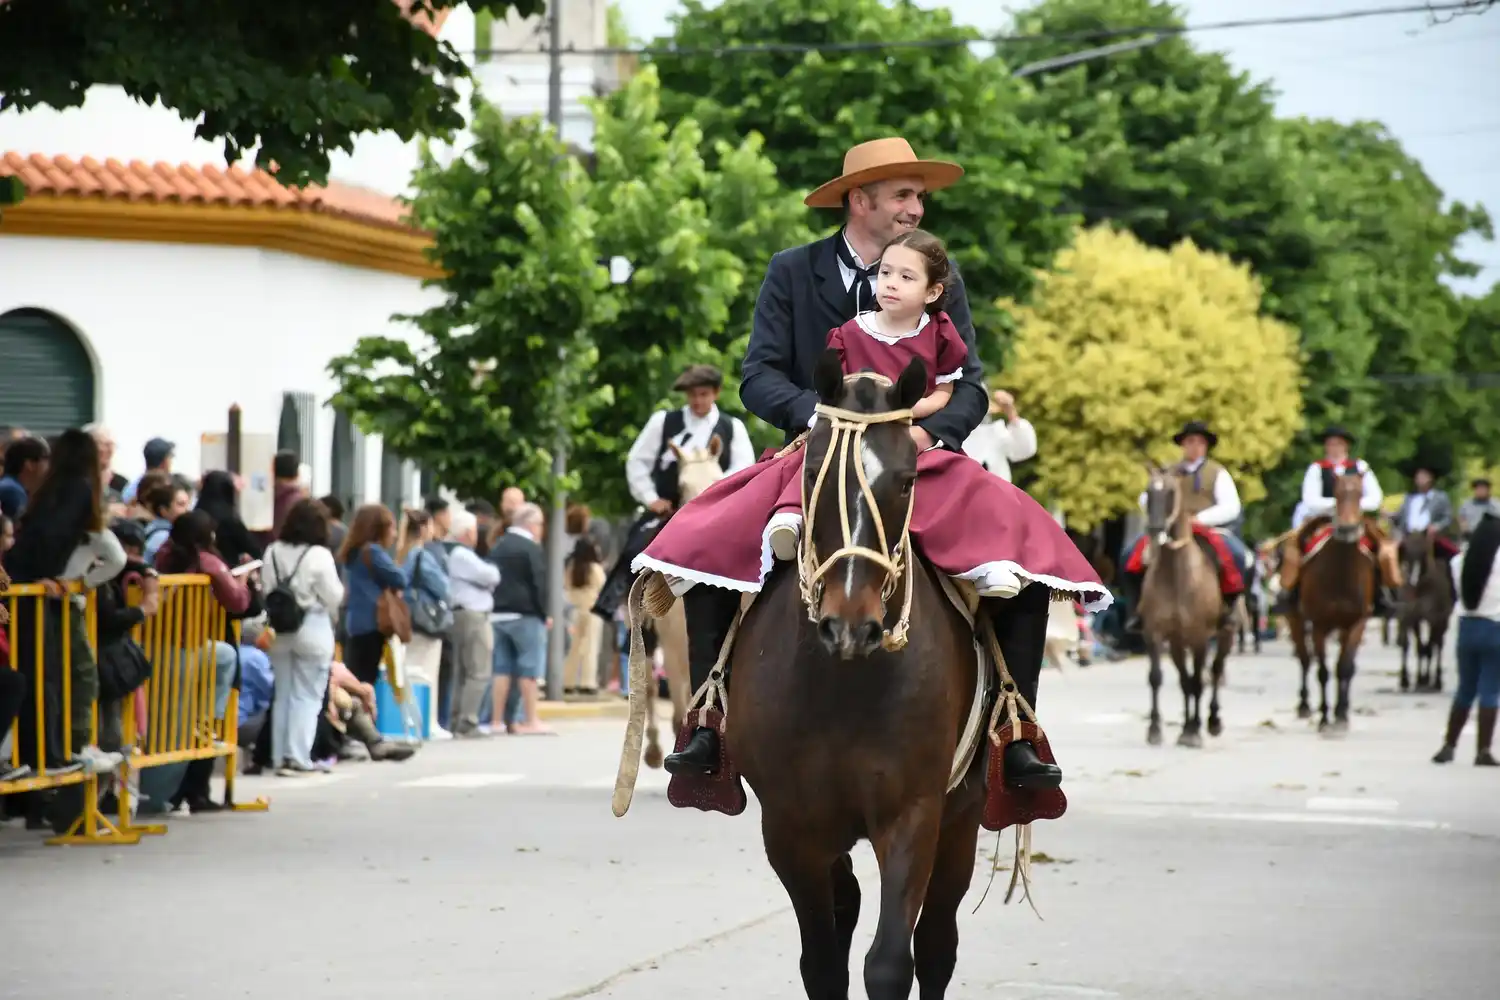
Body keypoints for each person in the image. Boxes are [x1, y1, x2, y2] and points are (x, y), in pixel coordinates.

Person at [637, 141, 1108, 786]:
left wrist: (924, 431)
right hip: (816, 454)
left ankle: (1015, 729)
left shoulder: (940, 274)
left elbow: (968, 384)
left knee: (1019, 550)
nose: (917, 208)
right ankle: (708, 718)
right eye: (904, 196)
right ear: (861, 200)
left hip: (915, 453)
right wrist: (824, 418)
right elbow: (758, 377)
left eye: (920, 197)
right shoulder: (792, 271)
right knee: (713, 542)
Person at [594, 364, 757, 625]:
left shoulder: (732, 427)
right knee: (635, 550)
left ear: (715, 392)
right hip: (668, 513)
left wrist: (716, 496)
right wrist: (650, 497)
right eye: (692, 395)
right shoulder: (663, 422)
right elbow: (637, 462)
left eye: (703, 394)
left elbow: (744, 467)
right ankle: (627, 610)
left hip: (717, 516)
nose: (697, 401)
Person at [1117, 421, 1250, 632]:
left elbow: (1231, 506)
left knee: (1238, 556)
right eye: (1189, 441)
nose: (1194, 446)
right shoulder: (1168, 472)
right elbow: (1146, 498)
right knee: (1128, 556)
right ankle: (1136, 612)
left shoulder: (1217, 473)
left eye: (1199, 442)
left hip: (1207, 529)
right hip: (1169, 530)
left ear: (1206, 446)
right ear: (1183, 445)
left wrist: (1200, 519)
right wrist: (1160, 515)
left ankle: (1228, 609)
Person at [262, 498, 345, 776]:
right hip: (313, 625)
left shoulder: (272, 551)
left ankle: (278, 756)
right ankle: (297, 756)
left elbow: (266, 589)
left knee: (283, 693)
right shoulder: (319, 555)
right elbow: (334, 596)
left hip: (280, 629)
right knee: (307, 695)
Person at [1278, 426, 1400, 607]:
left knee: (1383, 546)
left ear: (1346, 447)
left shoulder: (1360, 467)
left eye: (1338, 445)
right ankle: (1291, 591)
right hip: (1324, 519)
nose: (1334, 449)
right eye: (1330, 445)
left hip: (1355, 517)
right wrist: (1337, 505)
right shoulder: (1317, 469)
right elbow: (1310, 499)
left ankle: (1384, 590)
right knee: (1296, 546)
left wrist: (1352, 507)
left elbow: (1375, 497)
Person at [1434, 513, 1500, 766]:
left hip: (1466, 628)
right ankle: (1483, 750)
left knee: (1465, 689)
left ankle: (1449, 745)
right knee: (1490, 691)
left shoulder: (1459, 562)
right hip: (1494, 627)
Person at [487, 503, 554, 735]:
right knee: (529, 669)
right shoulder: (530, 548)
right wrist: (544, 613)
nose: (541, 529)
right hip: (526, 615)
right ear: (531, 523)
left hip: (497, 614)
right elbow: (538, 583)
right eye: (540, 524)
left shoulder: (498, 545)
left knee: (501, 669)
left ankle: (496, 721)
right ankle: (530, 720)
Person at [337, 505, 408, 688]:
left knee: (355, 676)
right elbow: (400, 578)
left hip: (354, 623)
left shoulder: (352, 553)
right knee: (367, 680)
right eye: (391, 527)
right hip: (372, 622)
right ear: (378, 528)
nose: (394, 534)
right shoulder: (373, 552)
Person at [1392, 459, 1460, 598]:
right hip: (1409, 536)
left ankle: (1450, 591)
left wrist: (1436, 526)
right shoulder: (1409, 498)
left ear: (1431, 479)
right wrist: (1389, 515)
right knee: (1389, 555)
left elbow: (1447, 517)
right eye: (1418, 476)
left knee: (1450, 558)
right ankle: (1391, 592)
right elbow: (1400, 516)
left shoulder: (1440, 497)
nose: (1420, 479)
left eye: (1424, 476)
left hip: (1430, 537)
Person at [961, 388, 1037, 482]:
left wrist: (1010, 412)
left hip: (998, 494)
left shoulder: (994, 433)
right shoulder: (949, 437)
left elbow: (1023, 450)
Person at [0, 436, 49, 519]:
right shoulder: (13, 492)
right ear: (30, 464)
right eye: (46, 459)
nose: (49, 466)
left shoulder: (11, 486)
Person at [1458, 478, 1500, 542]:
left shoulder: (1496, 505)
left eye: (1483, 488)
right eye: (1478, 488)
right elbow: (1462, 519)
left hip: (1492, 537)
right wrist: (1465, 529)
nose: (1480, 491)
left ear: (1488, 490)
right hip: (1471, 536)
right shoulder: (1467, 505)